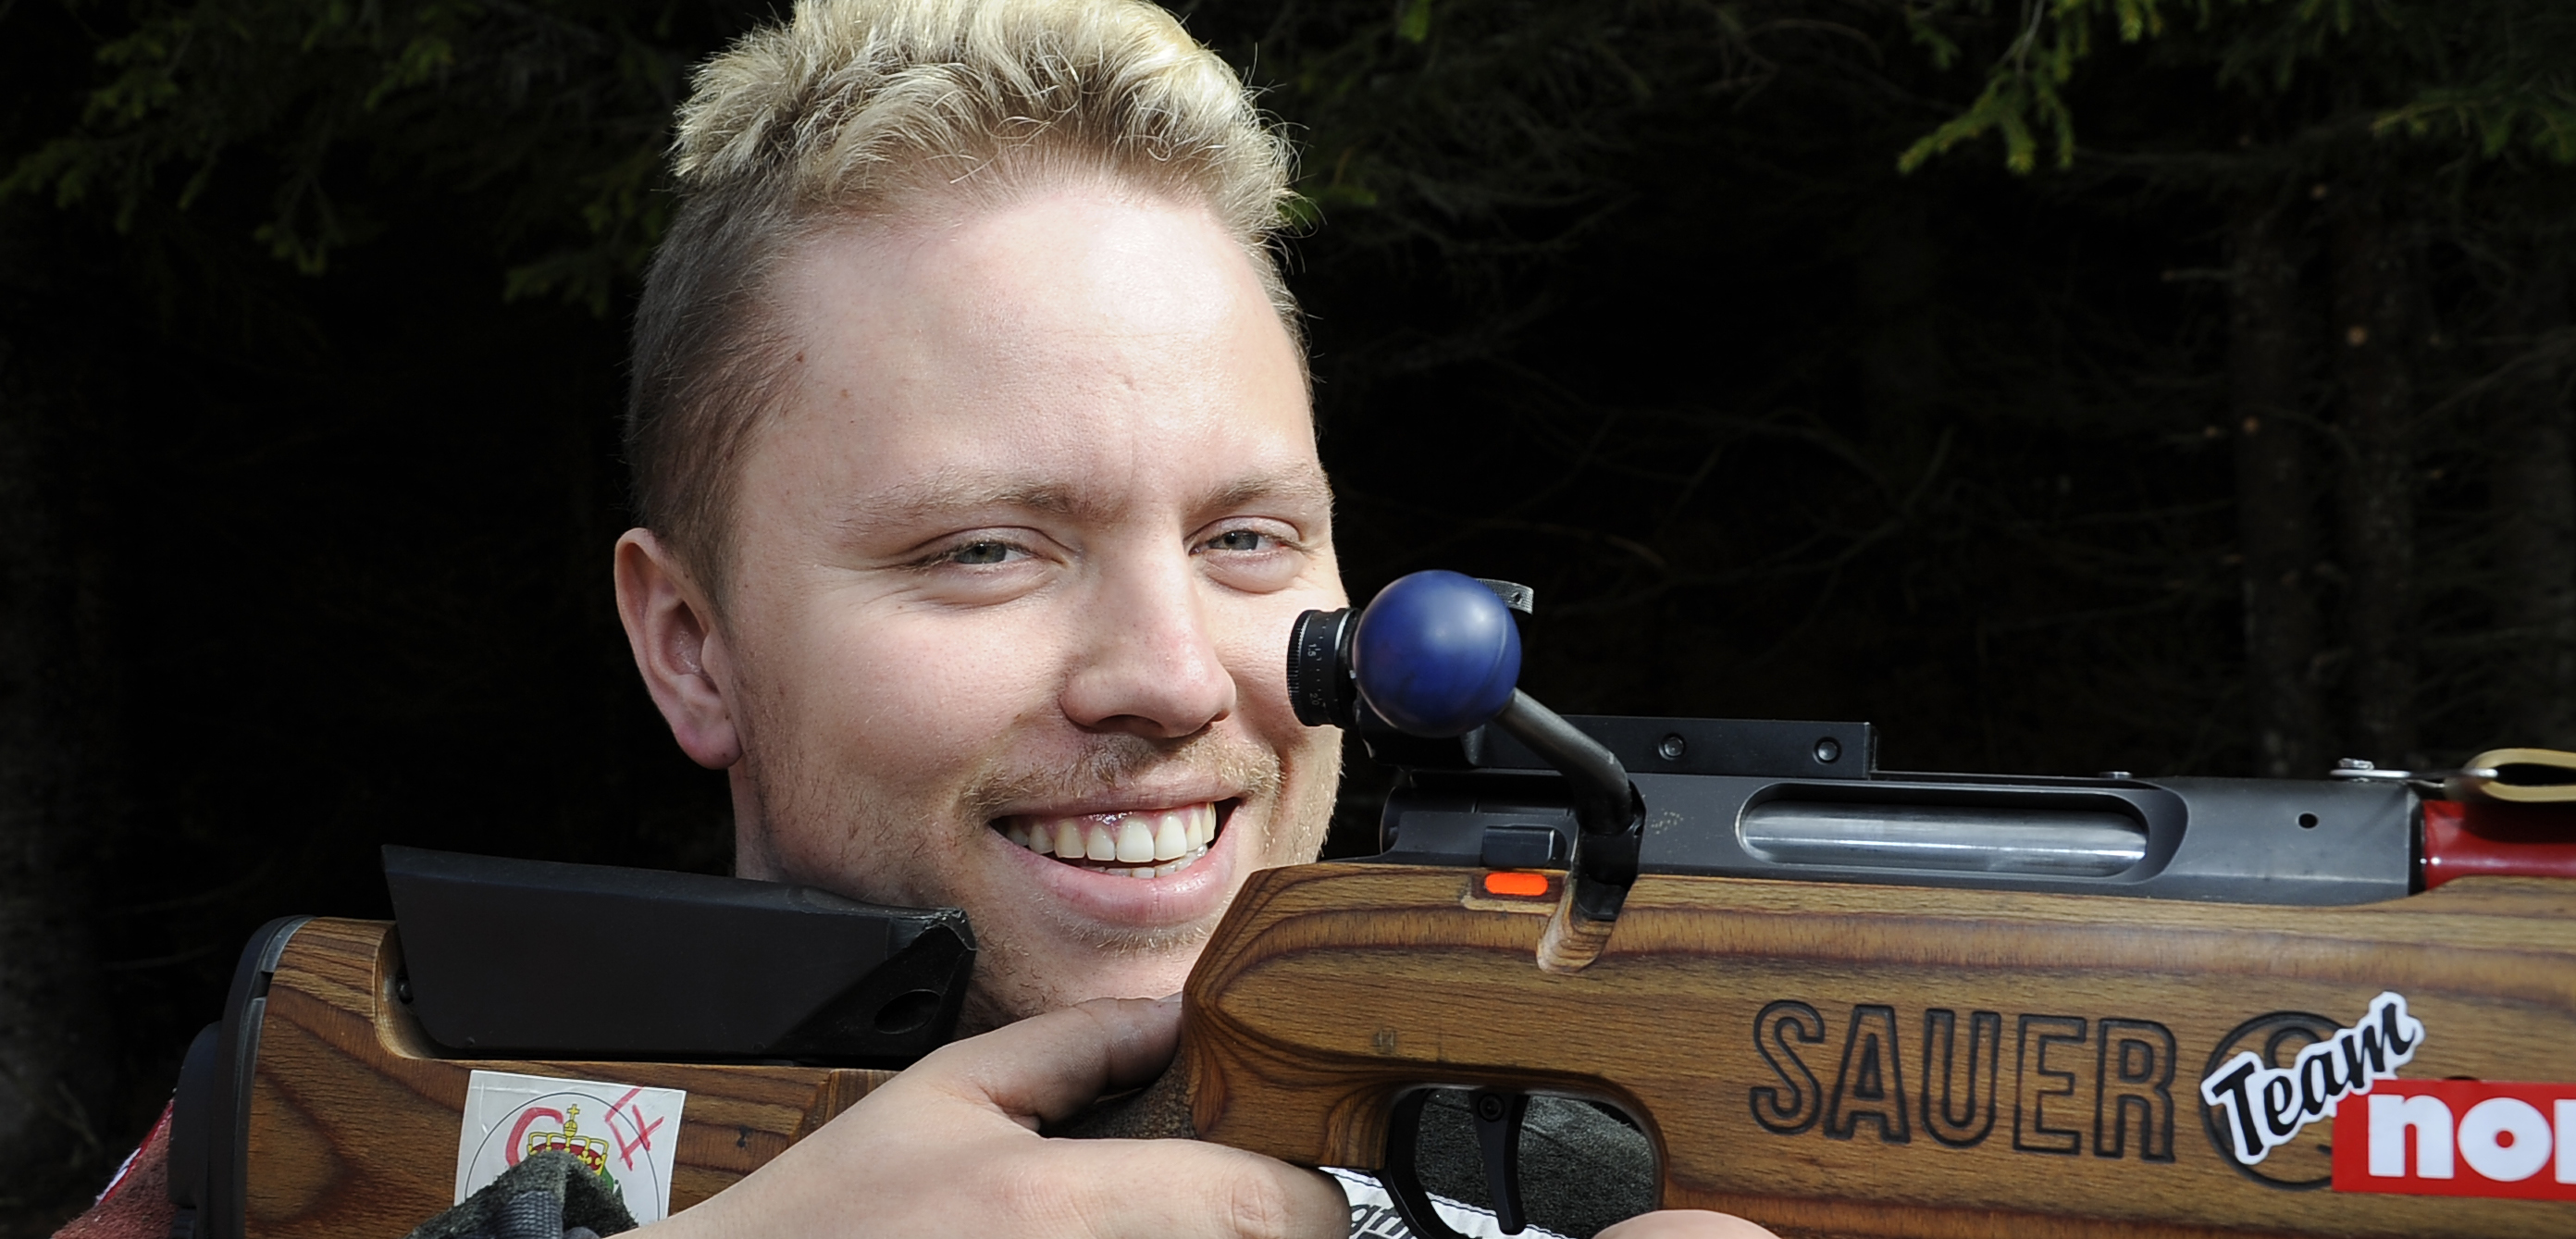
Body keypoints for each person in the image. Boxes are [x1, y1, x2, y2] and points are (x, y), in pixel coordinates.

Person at [57, 1, 1774, 1235]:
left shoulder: (1617, 1180)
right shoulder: (330, 1134)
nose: (1175, 677)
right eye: (984, 551)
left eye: (1247, 539)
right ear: (691, 649)